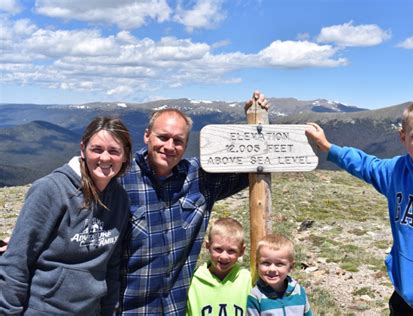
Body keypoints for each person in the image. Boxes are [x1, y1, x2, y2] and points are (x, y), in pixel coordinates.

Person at [305, 101, 413, 315]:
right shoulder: (396, 171)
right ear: (402, 137)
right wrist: (328, 148)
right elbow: (367, 165)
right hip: (405, 292)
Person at [118, 91, 269, 315]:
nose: (169, 146)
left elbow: (252, 165)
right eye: (163, 137)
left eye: (178, 140)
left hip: (177, 308)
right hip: (130, 308)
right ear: (147, 135)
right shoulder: (121, 179)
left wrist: (254, 122)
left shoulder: (199, 178)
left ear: (187, 144)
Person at [0, 117, 132, 315]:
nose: (105, 158)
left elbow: (111, 267)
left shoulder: (120, 199)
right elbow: (17, 260)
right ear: (82, 149)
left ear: (125, 156)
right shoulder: (51, 190)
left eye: (114, 151)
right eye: (97, 149)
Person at [186, 217, 252, 315]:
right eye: (218, 249)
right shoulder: (193, 281)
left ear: (241, 251)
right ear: (208, 246)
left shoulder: (247, 280)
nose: (224, 256)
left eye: (231, 251)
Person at [246, 234, 313, 316]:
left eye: (279, 264)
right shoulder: (255, 297)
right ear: (257, 265)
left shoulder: (299, 292)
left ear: (290, 267)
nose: (272, 269)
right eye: (266, 263)